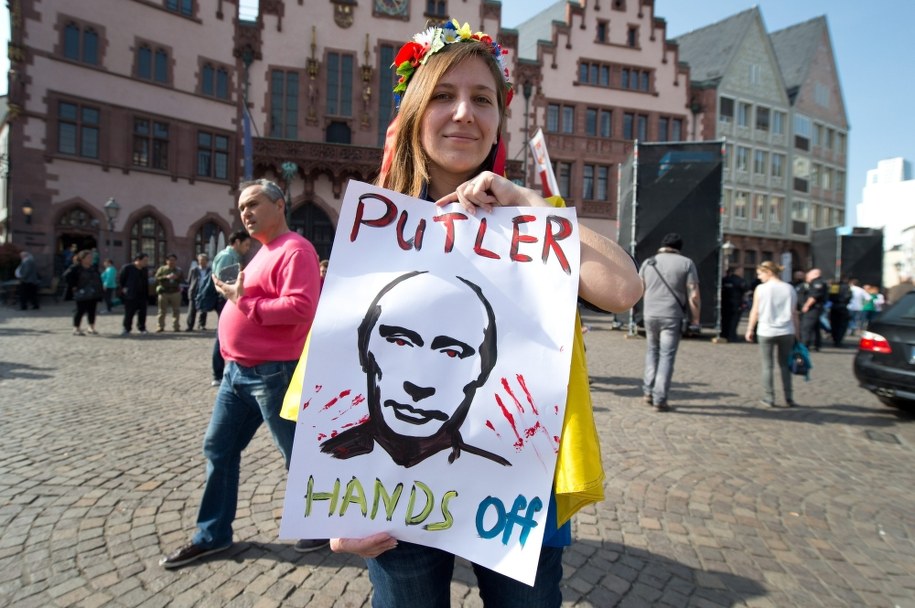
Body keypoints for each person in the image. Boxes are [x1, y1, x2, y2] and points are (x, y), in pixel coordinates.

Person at [325, 20, 643, 606]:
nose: (463, 113)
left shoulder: (533, 219)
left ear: (500, 118)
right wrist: (334, 504)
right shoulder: (375, 227)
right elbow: (330, 369)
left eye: (482, 99)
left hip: (517, 490)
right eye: (443, 95)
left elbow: (624, 289)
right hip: (389, 493)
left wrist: (527, 204)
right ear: (414, 112)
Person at [158, 178, 325, 569]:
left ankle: (322, 522)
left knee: (298, 455)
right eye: (241, 208)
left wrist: (243, 301)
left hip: (273, 373)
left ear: (279, 205)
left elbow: (301, 308)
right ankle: (213, 535)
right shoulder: (263, 251)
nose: (245, 213)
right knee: (219, 447)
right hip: (237, 374)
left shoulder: (296, 249)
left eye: (253, 204)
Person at [320, 271, 510, 468]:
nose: (419, 385)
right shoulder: (321, 459)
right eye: (400, 342)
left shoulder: (497, 474)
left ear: (484, 369)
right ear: (365, 349)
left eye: (451, 353)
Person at [639, 232, 700, 411]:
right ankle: (660, 398)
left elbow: (639, 288)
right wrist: (695, 319)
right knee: (666, 355)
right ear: (679, 247)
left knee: (652, 351)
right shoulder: (686, 263)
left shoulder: (648, 262)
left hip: (650, 314)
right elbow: (694, 294)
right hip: (672, 316)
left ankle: (648, 391)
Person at [744, 261, 799, 407]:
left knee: (767, 366)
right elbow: (794, 313)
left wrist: (750, 329)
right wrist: (797, 333)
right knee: (785, 365)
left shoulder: (761, 289)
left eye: (760, 274)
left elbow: (755, 310)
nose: (758, 277)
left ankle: (769, 397)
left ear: (768, 272)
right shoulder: (789, 288)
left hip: (766, 330)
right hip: (787, 330)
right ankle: (789, 397)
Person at [210, 230, 252, 386]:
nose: (247, 248)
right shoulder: (227, 256)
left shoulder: (233, 256)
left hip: (227, 300)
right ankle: (217, 374)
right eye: (246, 244)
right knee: (222, 336)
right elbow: (225, 284)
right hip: (225, 300)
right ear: (237, 242)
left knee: (225, 335)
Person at [66, 249, 104, 335]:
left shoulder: (93, 268)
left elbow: (98, 278)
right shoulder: (76, 268)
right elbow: (67, 276)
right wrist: (74, 286)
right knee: (80, 310)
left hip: (93, 292)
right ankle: (76, 328)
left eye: (91, 257)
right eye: (88, 257)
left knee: (92, 310)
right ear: (82, 259)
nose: (90, 259)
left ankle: (91, 327)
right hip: (82, 292)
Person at [119, 253, 150, 335]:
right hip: (131, 294)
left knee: (142, 312)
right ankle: (126, 328)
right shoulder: (127, 268)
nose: (146, 262)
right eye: (144, 260)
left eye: (147, 261)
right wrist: (124, 289)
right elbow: (121, 279)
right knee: (129, 312)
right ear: (138, 260)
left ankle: (142, 328)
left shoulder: (144, 270)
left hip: (142, 294)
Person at [797, 268, 826, 351]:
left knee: (806, 327)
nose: (807, 275)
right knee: (815, 327)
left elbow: (813, 296)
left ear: (815, 274)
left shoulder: (817, 282)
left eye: (809, 274)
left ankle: (804, 345)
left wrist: (806, 306)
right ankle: (816, 344)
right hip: (814, 308)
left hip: (812, 309)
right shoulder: (813, 283)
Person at [185, 253, 217, 331]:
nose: (202, 262)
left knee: (203, 309)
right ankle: (190, 326)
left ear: (207, 261)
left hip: (205, 291)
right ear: (198, 261)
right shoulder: (194, 270)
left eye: (204, 260)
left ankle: (201, 324)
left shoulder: (210, 270)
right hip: (194, 291)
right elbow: (189, 280)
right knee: (192, 309)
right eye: (200, 260)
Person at [155, 254, 184, 332]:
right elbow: (156, 278)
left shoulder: (179, 270)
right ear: (166, 261)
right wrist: (165, 277)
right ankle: (160, 326)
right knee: (162, 311)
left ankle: (176, 326)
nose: (172, 262)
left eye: (173, 260)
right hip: (164, 292)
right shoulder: (162, 269)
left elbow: (183, 280)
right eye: (170, 260)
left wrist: (177, 278)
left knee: (176, 310)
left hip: (175, 292)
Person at [720, 266, 746, 343]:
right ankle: (732, 336)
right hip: (736, 304)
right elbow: (745, 290)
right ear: (736, 271)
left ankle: (724, 334)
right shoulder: (740, 280)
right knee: (734, 321)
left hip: (724, 304)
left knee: (725, 320)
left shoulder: (724, 280)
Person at [827, 276, 851, 347]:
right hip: (843, 307)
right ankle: (839, 340)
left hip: (834, 307)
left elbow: (831, 296)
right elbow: (848, 297)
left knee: (834, 324)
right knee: (842, 325)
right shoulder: (847, 287)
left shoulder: (835, 286)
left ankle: (835, 339)